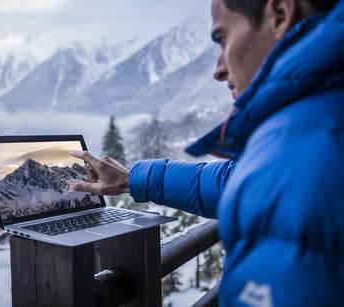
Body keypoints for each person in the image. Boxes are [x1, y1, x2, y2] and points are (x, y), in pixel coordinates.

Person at [69, 0, 344, 305]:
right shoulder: (318, 125)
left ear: (279, 14)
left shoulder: (300, 151)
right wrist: (132, 178)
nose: (218, 69)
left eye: (223, 38)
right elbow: (234, 180)